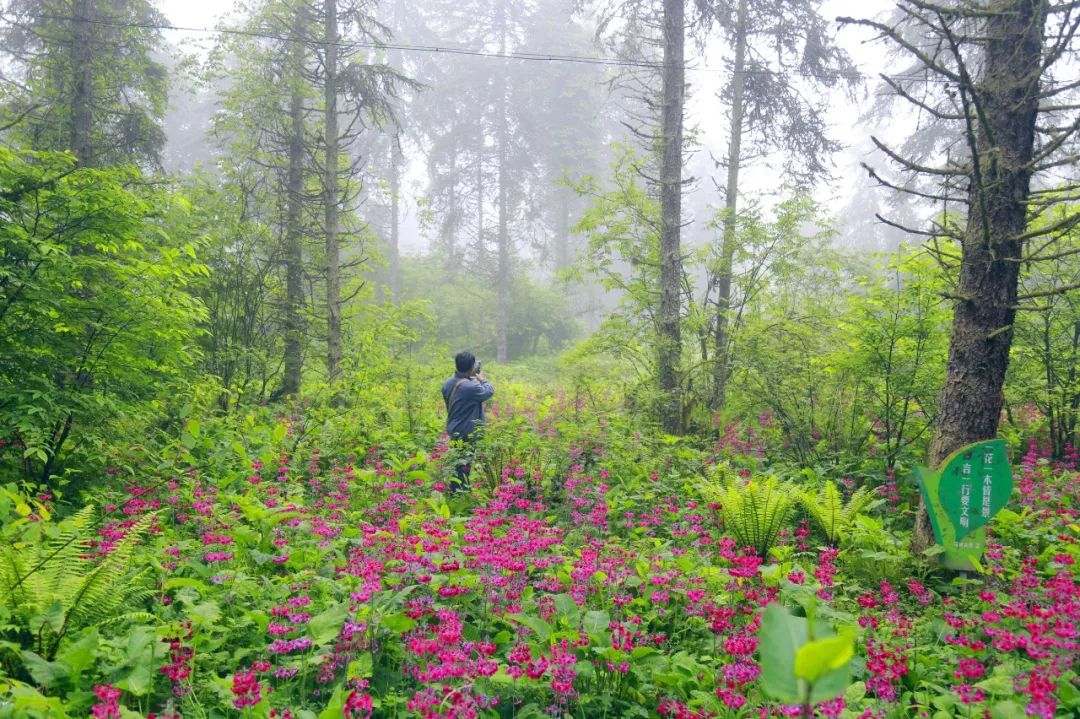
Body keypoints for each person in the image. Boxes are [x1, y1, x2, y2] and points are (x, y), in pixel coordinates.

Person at [441, 351, 494, 492]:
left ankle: (456, 489)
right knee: (464, 465)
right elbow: (488, 391)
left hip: (454, 427)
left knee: (458, 462)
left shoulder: (447, 383)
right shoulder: (471, 387)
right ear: (471, 368)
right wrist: (483, 379)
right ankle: (460, 493)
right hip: (466, 431)